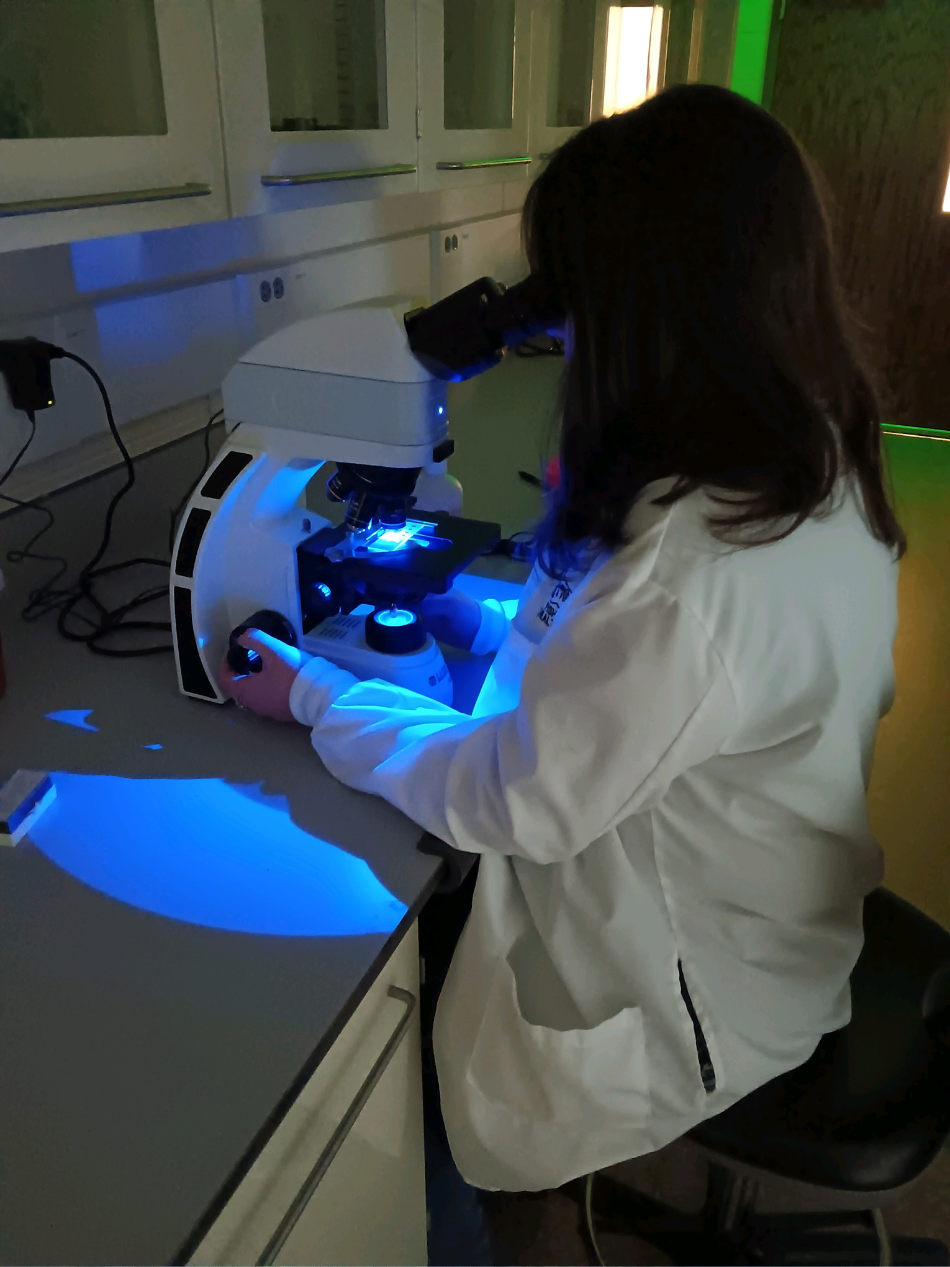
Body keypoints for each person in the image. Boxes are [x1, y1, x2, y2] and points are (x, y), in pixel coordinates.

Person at [218, 82, 904, 1216]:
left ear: (637, 312)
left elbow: (508, 800)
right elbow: (628, 671)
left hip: (698, 991)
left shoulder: (693, 574)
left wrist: (313, 693)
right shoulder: (798, 459)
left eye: (575, 308)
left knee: (391, 1057)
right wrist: (481, 619)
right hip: (773, 902)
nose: (561, 340)